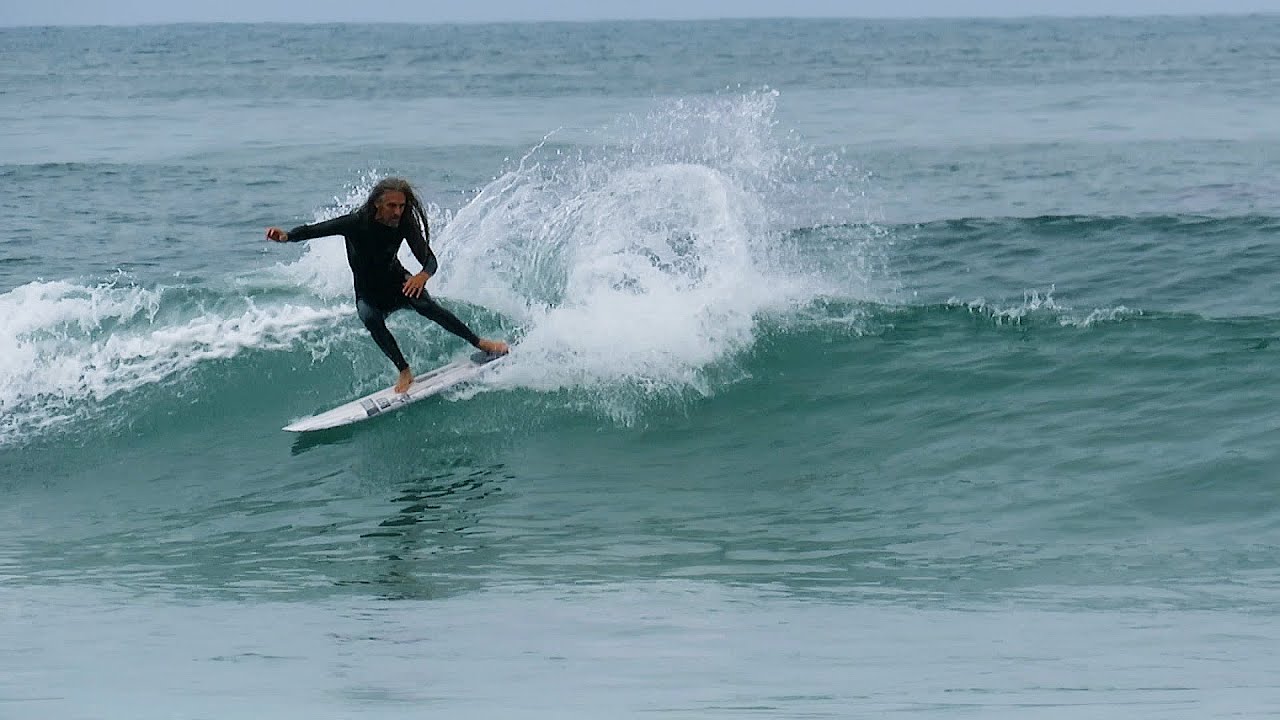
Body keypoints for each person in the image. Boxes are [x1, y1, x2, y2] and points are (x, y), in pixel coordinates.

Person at [266, 177, 508, 393]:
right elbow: (316, 230)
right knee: (369, 317)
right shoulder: (355, 223)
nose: (397, 212)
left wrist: (423, 275)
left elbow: (429, 259)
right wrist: (287, 236)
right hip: (368, 292)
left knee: (426, 305)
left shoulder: (404, 224)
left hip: (397, 282)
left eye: (401, 206)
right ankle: (404, 370)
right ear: (377, 205)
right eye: (392, 206)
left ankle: (480, 343)